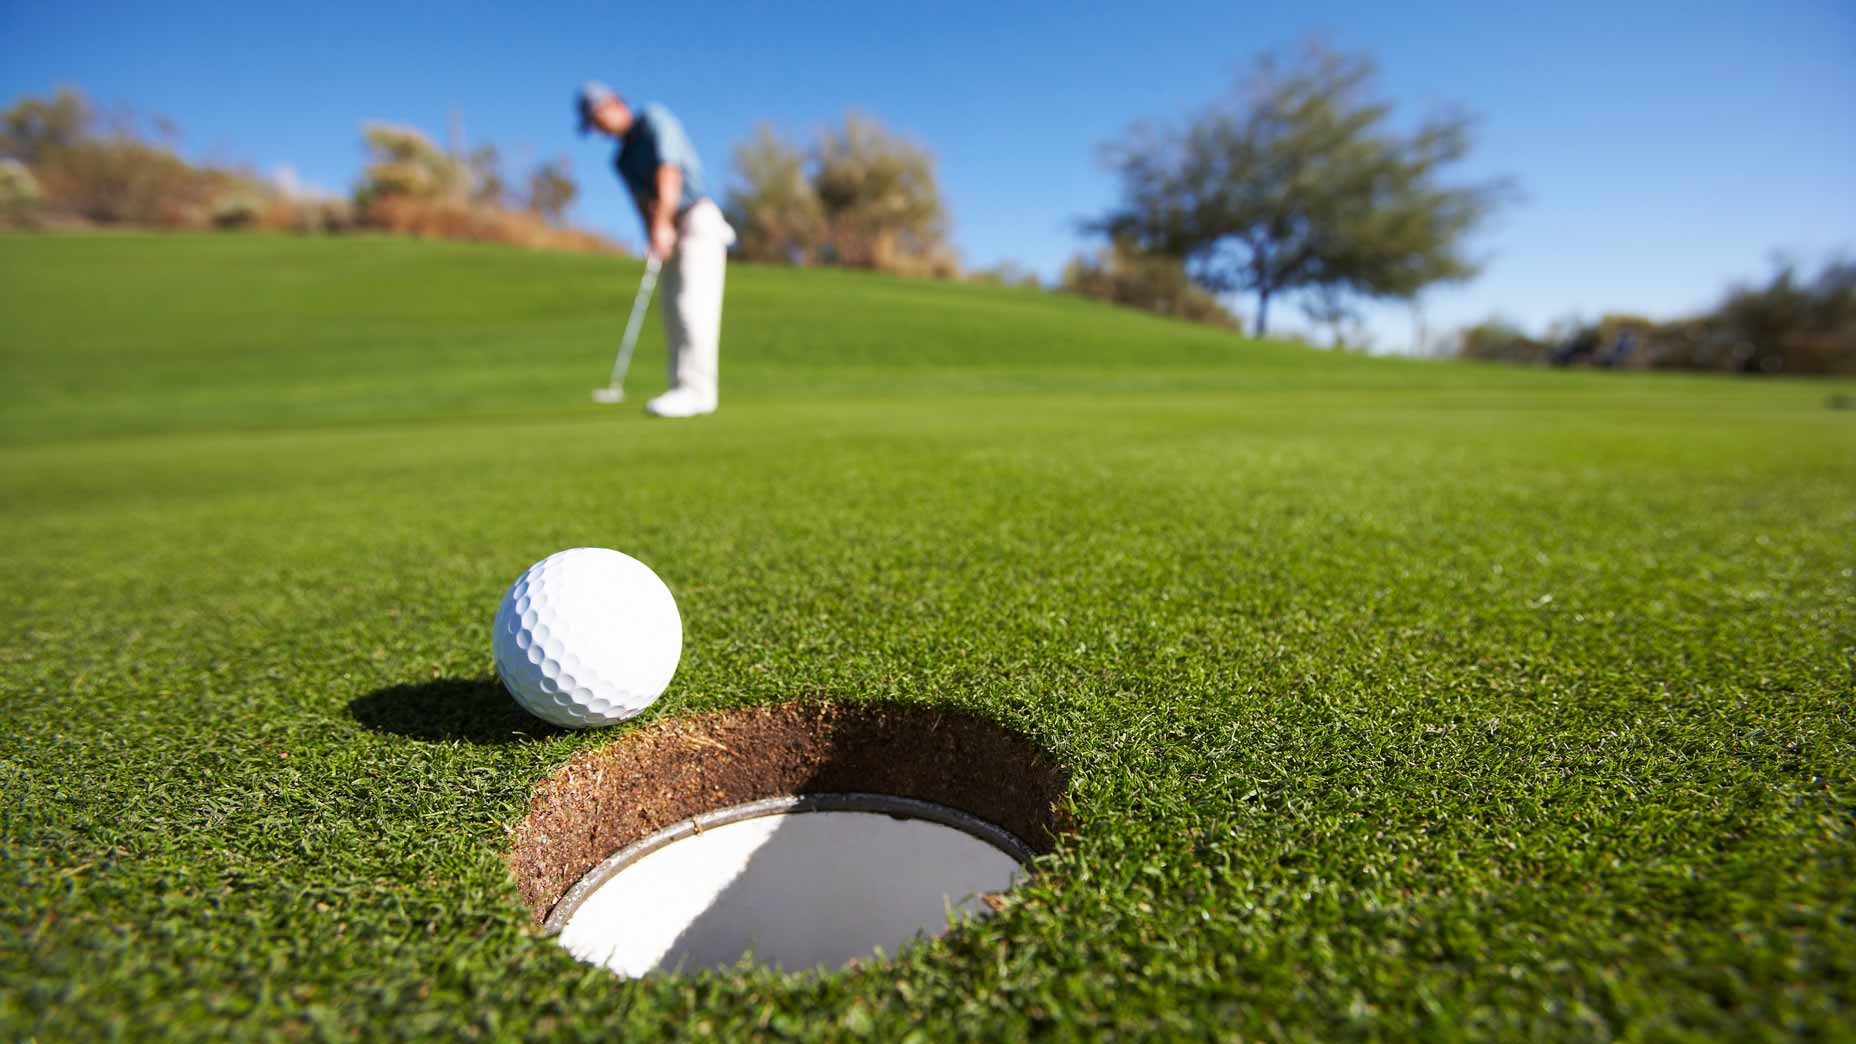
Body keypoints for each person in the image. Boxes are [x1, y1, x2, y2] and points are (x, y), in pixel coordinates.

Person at [578, 82, 734, 418]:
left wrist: (663, 223)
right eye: (593, 124)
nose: (599, 128)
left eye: (598, 117)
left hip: (696, 219)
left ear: (615, 104)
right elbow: (641, 202)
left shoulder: (653, 120)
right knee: (672, 311)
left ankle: (698, 392)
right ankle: (681, 388)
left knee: (694, 306)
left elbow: (670, 172)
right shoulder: (620, 160)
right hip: (667, 228)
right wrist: (653, 234)